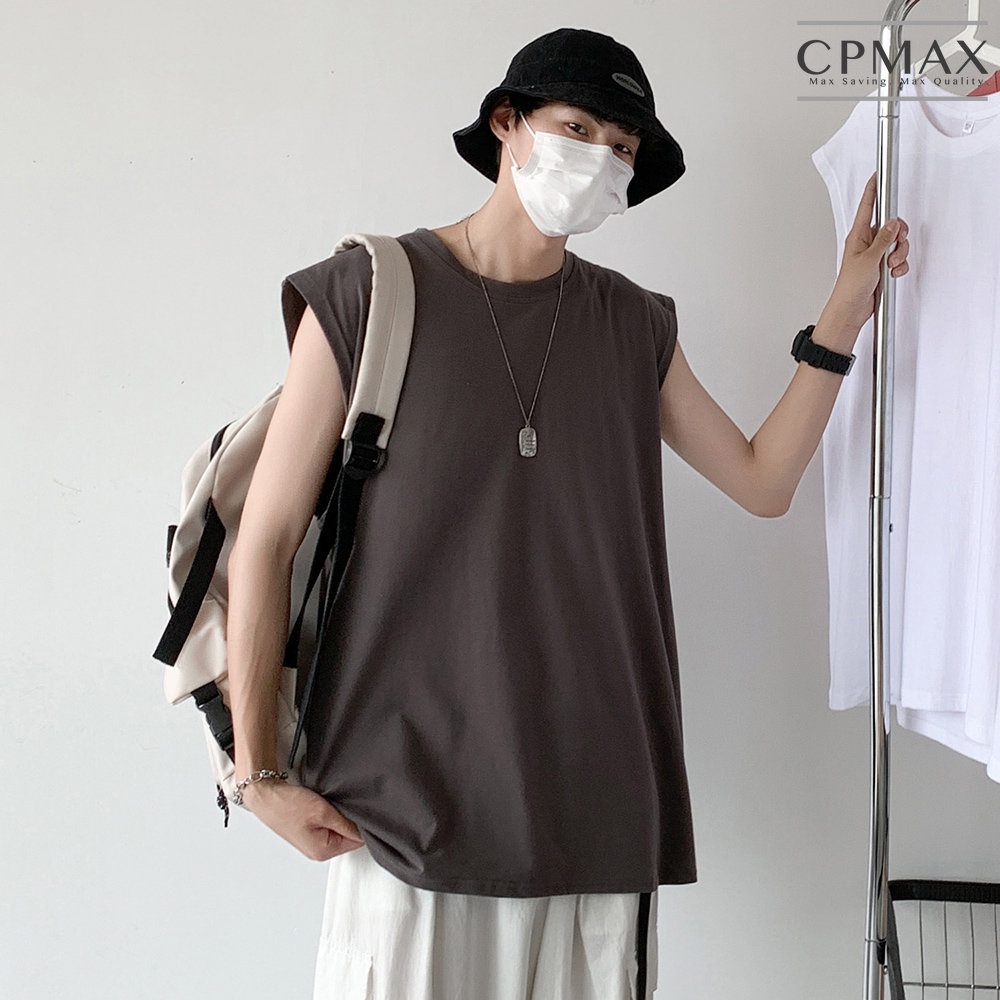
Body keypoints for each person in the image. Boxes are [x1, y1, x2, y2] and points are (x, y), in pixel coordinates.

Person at [224, 26, 910, 1000]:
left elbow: (763, 482)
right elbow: (265, 540)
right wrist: (257, 774)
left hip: (595, 806)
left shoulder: (632, 324)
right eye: (579, 127)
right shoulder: (371, 293)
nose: (602, 158)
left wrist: (840, 316)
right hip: (399, 809)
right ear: (508, 124)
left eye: (623, 147)